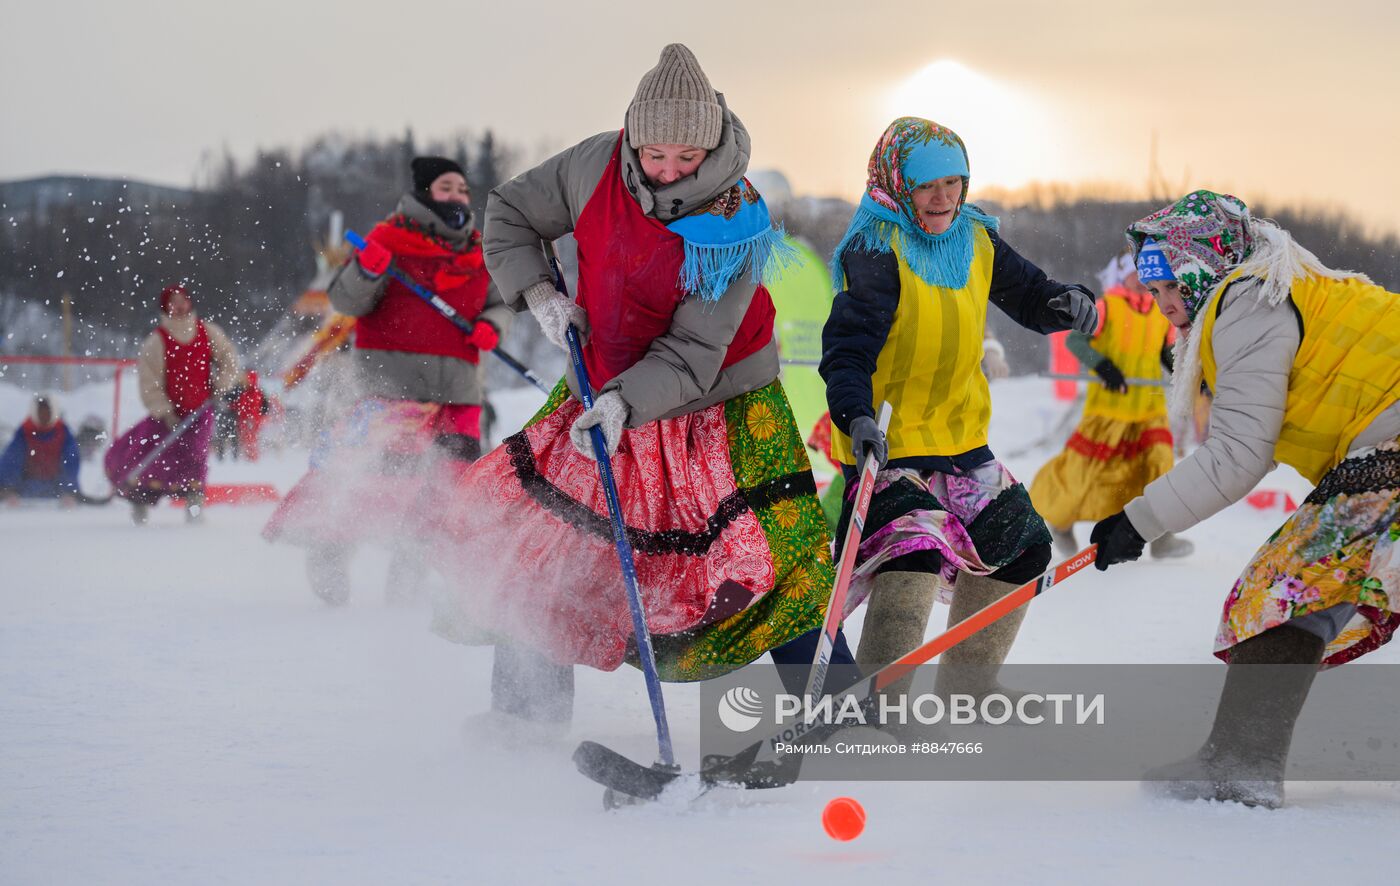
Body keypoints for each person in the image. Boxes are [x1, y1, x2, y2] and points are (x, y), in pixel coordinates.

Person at [434, 43, 849, 734]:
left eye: (687, 158)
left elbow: (693, 350)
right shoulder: (593, 164)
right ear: (634, 135)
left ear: (711, 146)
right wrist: (539, 291)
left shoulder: (734, 220)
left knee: (769, 550)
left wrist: (626, 402)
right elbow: (509, 210)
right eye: (656, 154)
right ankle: (525, 714)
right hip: (598, 379)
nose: (668, 170)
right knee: (543, 532)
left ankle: (836, 704)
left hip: (718, 397)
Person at [1092, 190, 1400, 807]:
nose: (1164, 307)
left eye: (1169, 288)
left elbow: (1238, 455)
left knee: (1280, 592)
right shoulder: (1266, 286)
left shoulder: (1248, 304)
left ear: (1202, 266)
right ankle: (1238, 760)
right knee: (1298, 588)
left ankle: (1239, 766)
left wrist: (1139, 520)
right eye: (1153, 294)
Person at [820, 116, 1098, 701]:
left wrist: (1067, 304)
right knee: (912, 552)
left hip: (961, 441)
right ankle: (878, 699)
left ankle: (968, 686)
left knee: (1021, 544)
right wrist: (856, 417)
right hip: (890, 441)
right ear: (896, 185)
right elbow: (847, 353)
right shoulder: (876, 248)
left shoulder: (976, 238)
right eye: (926, 185)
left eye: (954, 181)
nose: (943, 197)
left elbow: (1029, 294)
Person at [263, 156, 511, 606]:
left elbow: (501, 301)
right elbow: (347, 301)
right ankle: (332, 546)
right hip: (391, 388)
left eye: (461, 189)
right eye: (445, 187)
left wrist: (493, 325)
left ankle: (411, 565)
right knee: (377, 483)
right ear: (422, 193)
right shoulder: (386, 239)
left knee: (450, 485)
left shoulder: (480, 249)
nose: (457, 196)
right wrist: (369, 270)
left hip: (458, 391)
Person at [1030, 252, 1192, 558]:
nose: (1144, 282)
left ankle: (1162, 536)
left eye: (1150, 278)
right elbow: (1076, 342)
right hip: (1109, 410)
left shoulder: (1162, 312)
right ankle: (1060, 523)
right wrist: (1103, 366)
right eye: (1137, 275)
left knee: (1158, 467)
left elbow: (1165, 353)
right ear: (1124, 276)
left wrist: (1189, 372)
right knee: (1085, 472)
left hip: (1148, 410)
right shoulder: (1108, 307)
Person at [103, 284, 240, 524]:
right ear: (165, 307)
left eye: (182, 301)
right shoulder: (156, 342)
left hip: (199, 412)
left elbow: (229, 359)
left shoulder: (208, 332)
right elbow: (149, 381)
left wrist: (220, 384)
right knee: (149, 458)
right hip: (167, 416)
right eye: (173, 302)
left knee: (195, 459)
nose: (178, 306)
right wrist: (165, 412)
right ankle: (140, 503)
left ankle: (194, 507)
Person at [0, 393, 80, 503]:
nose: (44, 415)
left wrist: (69, 491)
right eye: (40, 411)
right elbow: (11, 460)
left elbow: (71, 461)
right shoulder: (25, 431)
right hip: (25, 487)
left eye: (47, 411)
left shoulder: (62, 431)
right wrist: (9, 489)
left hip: (56, 487)